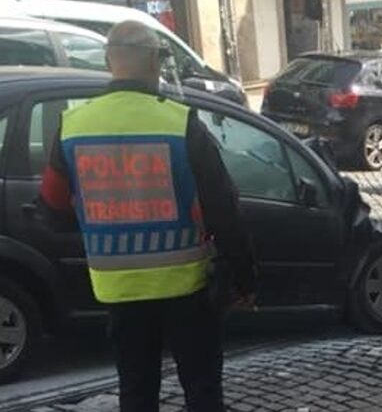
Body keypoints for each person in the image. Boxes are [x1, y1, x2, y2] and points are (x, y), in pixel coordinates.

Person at [37, 21, 257, 411]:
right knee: (202, 389)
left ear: (109, 61)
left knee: (136, 391)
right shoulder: (180, 122)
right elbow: (224, 207)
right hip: (186, 288)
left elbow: (52, 209)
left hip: (119, 291)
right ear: (155, 61)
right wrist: (243, 275)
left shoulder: (73, 126)